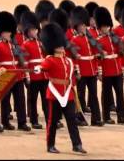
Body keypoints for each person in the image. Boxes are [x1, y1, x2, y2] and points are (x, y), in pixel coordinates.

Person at [35, 23, 86, 154]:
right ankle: (50, 145)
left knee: (72, 121)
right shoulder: (49, 59)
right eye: (59, 44)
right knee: (52, 122)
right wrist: (37, 69)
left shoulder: (68, 60)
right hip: (54, 94)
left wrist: (73, 91)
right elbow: (42, 67)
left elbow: (71, 78)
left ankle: (77, 144)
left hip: (67, 94)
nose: (62, 47)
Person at [0, 11, 31, 131]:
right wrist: (0, 71)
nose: (8, 34)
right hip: (6, 76)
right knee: (6, 101)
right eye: (5, 32)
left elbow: (19, 62)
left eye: (9, 32)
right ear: (1, 33)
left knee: (20, 100)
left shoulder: (15, 46)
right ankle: (5, 121)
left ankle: (22, 122)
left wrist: (24, 72)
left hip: (17, 76)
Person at [69, 6, 103, 126]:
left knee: (93, 95)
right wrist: (77, 72)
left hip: (92, 71)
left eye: (84, 25)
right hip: (82, 72)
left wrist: (98, 71)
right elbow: (75, 59)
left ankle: (96, 118)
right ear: (77, 27)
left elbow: (95, 56)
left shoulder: (90, 39)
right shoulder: (74, 40)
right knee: (80, 96)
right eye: (81, 26)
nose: (83, 28)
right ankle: (80, 117)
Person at [94, 7, 124, 125]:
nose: (106, 29)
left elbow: (121, 54)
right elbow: (98, 59)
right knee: (107, 94)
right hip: (106, 71)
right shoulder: (98, 41)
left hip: (117, 70)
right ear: (100, 28)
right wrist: (99, 72)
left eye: (107, 27)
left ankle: (121, 116)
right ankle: (106, 116)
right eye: (103, 27)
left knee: (120, 94)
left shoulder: (116, 39)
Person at [21, 11, 48, 129]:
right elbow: (25, 63)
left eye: (35, 30)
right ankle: (34, 120)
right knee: (32, 100)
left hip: (43, 75)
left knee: (46, 99)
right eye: (32, 30)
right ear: (28, 31)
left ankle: (49, 119)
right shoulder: (25, 45)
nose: (34, 32)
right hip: (33, 76)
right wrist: (27, 77)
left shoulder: (41, 42)